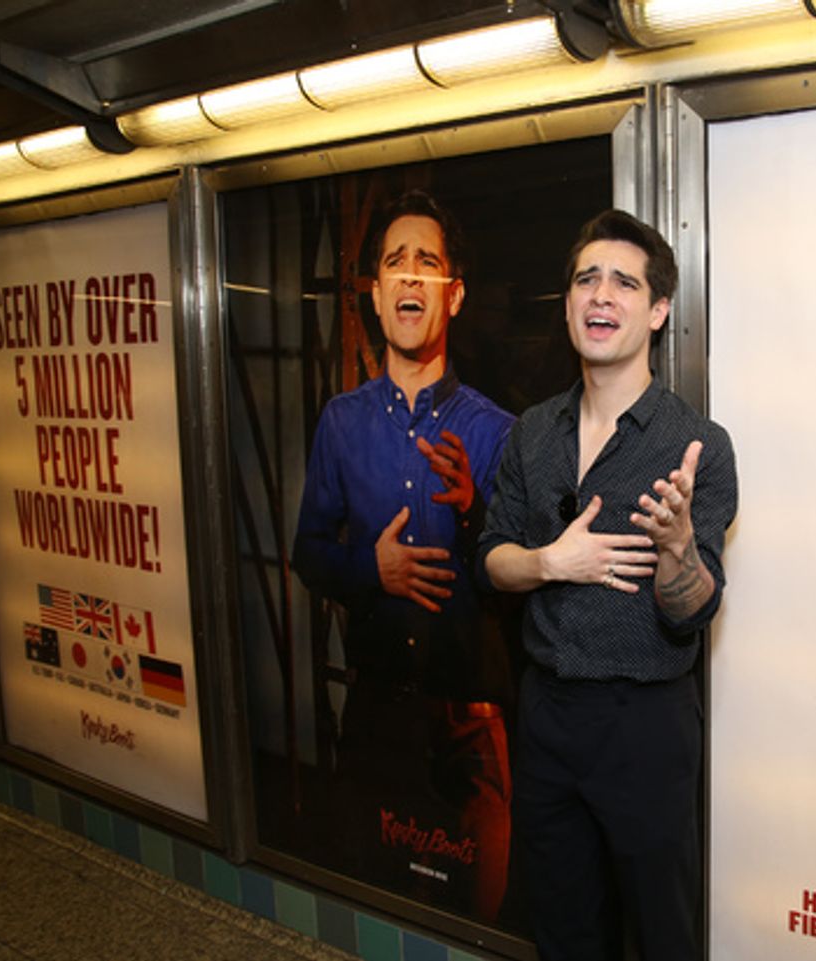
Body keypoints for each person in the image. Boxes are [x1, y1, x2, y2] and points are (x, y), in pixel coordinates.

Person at [480, 209, 738, 960]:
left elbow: (696, 610)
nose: (602, 295)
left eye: (625, 282)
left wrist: (679, 551)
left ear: (657, 311)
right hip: (548, 716)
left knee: (661, 931)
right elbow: (492, 556)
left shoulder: (696, 445)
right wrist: (550, 562)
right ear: (566, 305)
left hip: (645, 726)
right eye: (587, 279)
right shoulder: (532, 431)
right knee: (561, 929)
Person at [291, 189, 514, 919]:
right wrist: (370, 571)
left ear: (453, 296)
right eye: (395, 264)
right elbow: (307, 551)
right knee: (372, 904)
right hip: (376, 714)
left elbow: (532, 577)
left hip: (470, 724)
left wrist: (474, 515)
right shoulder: (341, 423)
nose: (410, 276)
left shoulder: (497, 433)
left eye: (427, 263)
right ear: (378, 296)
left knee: (476, 916)